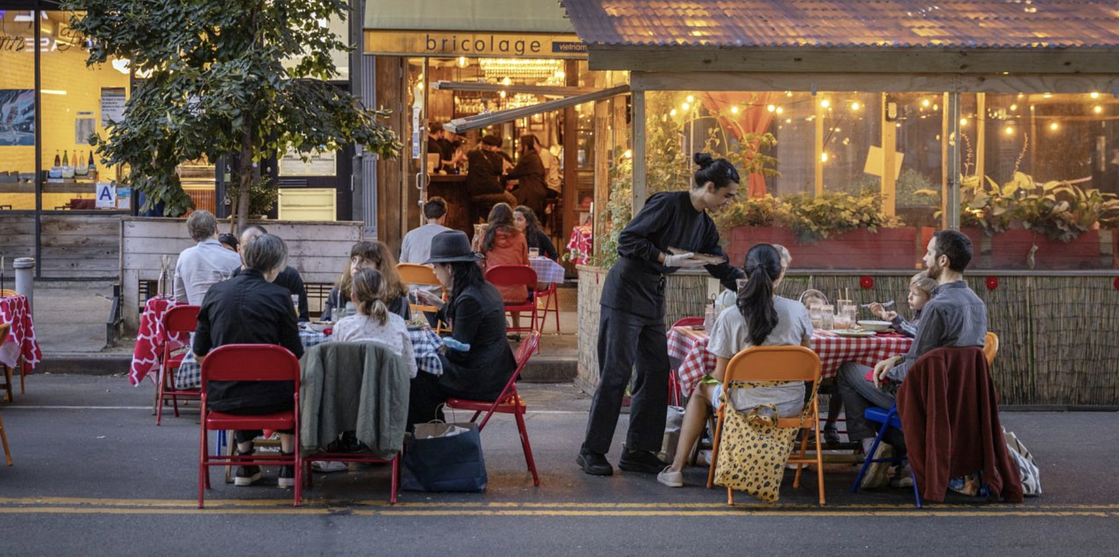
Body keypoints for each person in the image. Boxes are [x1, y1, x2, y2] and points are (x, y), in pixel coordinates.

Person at [579, 153, 746, 477]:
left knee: (656, 371)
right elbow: (627, 239)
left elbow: (717, 262)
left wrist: (747, 283)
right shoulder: (667, 204)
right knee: (616, 373)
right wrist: (661, 257)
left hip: (652, 299)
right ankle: (592, 450)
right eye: (727, 195)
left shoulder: (704, 225)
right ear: (710, 187)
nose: (728, 202)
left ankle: (638, 450)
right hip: (626, 292)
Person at [836, 230, 988, 481]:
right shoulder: (977, 303)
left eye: (929, 252)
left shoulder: (936, 307)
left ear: (943, 260)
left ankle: (879, 446)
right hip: (959, 403)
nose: (924, 257)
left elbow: (915, 369)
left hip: (923, 401)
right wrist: (896, 359)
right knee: (877, 373)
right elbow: (938, 357)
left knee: (848, 370)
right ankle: (896, 454)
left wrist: (884, 371)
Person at [658, 244, 812, 487]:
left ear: (746, 274)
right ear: (780, 273)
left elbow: (720, 376)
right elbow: (806, 357)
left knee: (700, 389)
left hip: (744, 405)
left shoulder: (731, 315)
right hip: (791, 404)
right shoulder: (797, 311)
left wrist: (707, 376)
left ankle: (676, 469)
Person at [193, 234, 303, 488]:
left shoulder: (215, 291)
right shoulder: (280, 295)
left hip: (222, 397)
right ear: (274, 266)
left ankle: (245, 461)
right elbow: (294, 354)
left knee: (242, 379)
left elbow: (199, 352)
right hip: (274, 399)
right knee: (295, 384)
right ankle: (286, 467)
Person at [409, 231, 517, 426]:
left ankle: (429, 438)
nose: (434, 271)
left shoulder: (469, 299)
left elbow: (458, 352)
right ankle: (430, 432)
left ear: (449, 268)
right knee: (421, 372)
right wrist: (437, 304)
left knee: (417, 374)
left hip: (482, 379)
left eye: (435, 266)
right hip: (495, 372)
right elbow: (464, 323)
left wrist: (434, 350)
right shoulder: (483, 288)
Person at [332, 268, 418, 378]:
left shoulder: (342, 327)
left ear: (353, 297)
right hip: (391, 394)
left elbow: (336, 370)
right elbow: (411, 372)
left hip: (354, 394)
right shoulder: (399, 323)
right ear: (385, 295)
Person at [234, 225, 310, 322]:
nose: (253, 252)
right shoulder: (232, 279)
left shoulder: (289, 275)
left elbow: (302, 317)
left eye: (259, 246)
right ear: (238, 249)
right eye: (247, 247)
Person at [323, 241, 411, 322]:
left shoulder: (397, 299)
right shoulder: (338, 292)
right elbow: (324, 323)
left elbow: (402, 329)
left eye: (365, 261)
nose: (356, 266)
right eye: (354, 260)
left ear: (380, 267)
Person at [173, 210, 242, 305]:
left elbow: (179, 298)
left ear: (193, 236)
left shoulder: (184, 257)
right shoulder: (236, 258)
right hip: (223, 318)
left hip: (193, 317)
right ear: (216, 229)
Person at [869, 271, 938, 339]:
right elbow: (907, 330)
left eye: (915, 294)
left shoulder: (931, 316)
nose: (909, 296)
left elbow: (917, 333)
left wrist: (896, 320)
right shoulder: (918, 315)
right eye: (910, 291)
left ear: (930, 298)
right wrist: (885, 316)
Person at [466, 135, 517, 219]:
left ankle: (495, 220)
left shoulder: (473, 154)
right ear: (492, 147)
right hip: (488, 191)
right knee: (512, 200)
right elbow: (503, 172)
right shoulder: (497, 158)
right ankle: (508, 225)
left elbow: (469, 153)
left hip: (473, 192)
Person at [399, 197, 452, 265]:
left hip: (414, 275)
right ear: (443, 216)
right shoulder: (452, 235)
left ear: (424, 216)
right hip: (437, 275)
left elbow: (402, 265)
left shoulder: (409, 236)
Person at [507, 135, 549, 219]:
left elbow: (513, 173)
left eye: (519, 143)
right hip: (537, 190)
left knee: (509, 199)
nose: (517, 145)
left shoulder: (528, 157)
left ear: (525, 146)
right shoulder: (533, 155)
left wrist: (506, 168)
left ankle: (513, 224)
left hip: (531, 193)